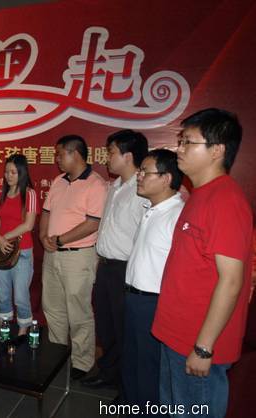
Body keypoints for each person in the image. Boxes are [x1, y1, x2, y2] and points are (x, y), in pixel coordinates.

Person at [152, 108, 253, 418]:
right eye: (180, 141)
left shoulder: (226, 200)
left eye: (188, 142)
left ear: (217, 150)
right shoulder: (200, 195)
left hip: (196, 344)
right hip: (176, 335)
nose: (179, 149)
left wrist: (204, 347)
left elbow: (232, 281)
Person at [82, 130, 148, 390]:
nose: (106, 158)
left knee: (124, 329)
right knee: (106, 325)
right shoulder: (114, 186)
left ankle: (127, 385)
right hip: (106, 266)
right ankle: (109, 373)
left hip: (126, 269)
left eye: (111, 152)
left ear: (128, 156)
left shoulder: (143, 190)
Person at [40, 135, 108, 379]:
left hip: (78, 257)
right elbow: (46, 213)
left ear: (75, 154)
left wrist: (60, 240)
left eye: (60, 154)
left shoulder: (96, 184)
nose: (57, 159)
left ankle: (82, 362)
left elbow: (92, 223)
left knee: (78, 311)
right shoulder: (59, 181)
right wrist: (43, 236)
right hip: (52, 254)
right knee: (53, 308)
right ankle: (57, 355)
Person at [121, 149, 184, 409]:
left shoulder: (177, 215)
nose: (139, 176)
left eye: (145, 172)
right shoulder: (151, 209)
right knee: (132, 362)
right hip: (134, 298)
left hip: (154, 303)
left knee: (149, 368)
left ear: (166, 178)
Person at [0, 154, 39, 335]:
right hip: (1, 251)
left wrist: (4, 238)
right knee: (3, 294)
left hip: (22, 251)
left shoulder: (30, 194)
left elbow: (28, 225)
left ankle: (24, 329)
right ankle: (4, 325)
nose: (8, 176)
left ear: (22, 173)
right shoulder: (0, 195)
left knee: (20, 296)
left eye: (13, 172)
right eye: (6, 172)